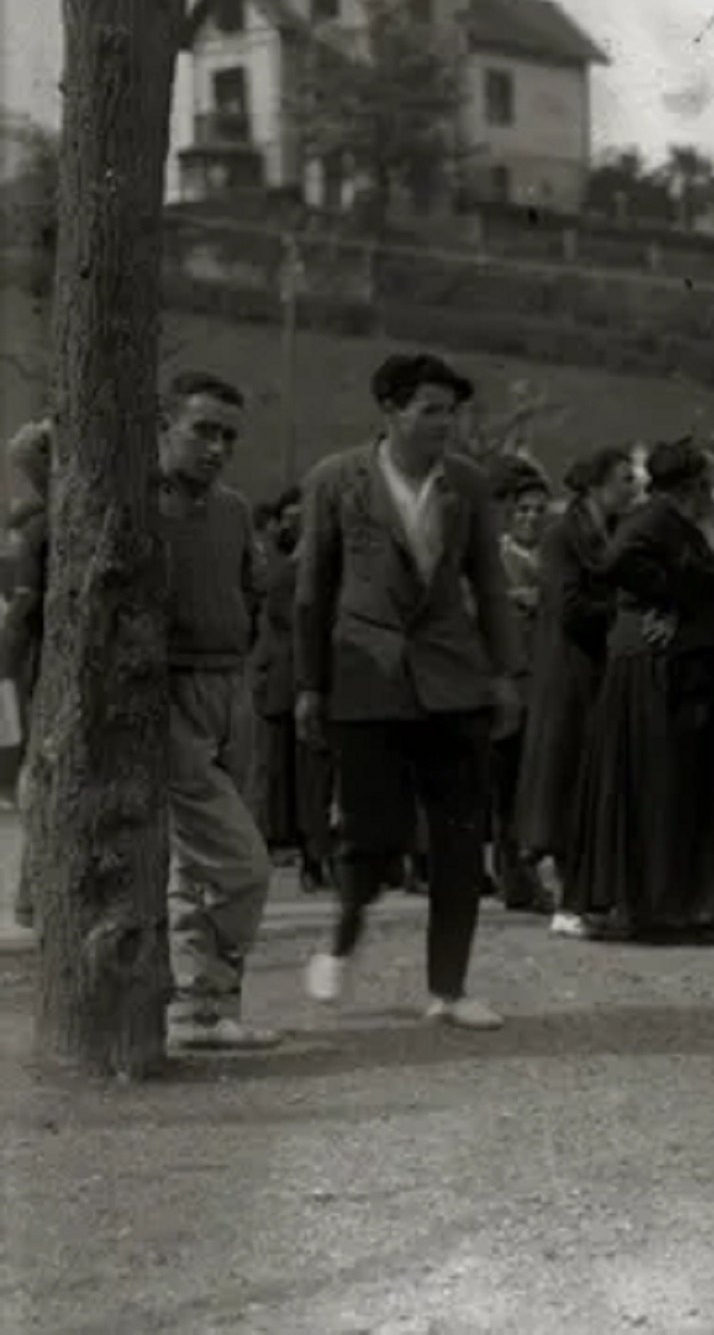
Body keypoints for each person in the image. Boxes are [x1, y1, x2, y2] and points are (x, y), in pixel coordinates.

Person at [300, 353, 518, 1030]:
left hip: (454, 680)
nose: (443, 423)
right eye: (429, 409)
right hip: (369, 681)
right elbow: (313, 591)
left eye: (450, 411)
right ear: (390, 412)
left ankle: (448, 990)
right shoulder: (336, 480)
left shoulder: (469, 484)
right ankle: (342, 935)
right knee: (373, 834)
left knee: (459, 838)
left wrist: (503, 674)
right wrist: (312, 685)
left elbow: (489, 583)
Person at [154, 372, 283, 1050]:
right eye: (203, 429)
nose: (216, 448)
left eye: (228, 436)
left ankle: (205, 1010)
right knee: (240, 864)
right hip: (167, 695)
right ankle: (192, 998)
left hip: (231, 689)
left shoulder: (233, 509)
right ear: (164, 425)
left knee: (196, 869)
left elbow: (251, 593)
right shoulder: (136, 502)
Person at [567, 440, 714, 941]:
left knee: (666, 784)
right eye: (710, 480)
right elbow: (615, 562)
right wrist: (667, 596)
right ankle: (653, 907)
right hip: (653, 672)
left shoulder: (671, 523)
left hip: (667, 668)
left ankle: (666, 905)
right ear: (692, 486)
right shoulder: (655, 521)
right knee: (657, 784)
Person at [528, 448, 633, 937]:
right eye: (624, 478)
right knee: (569, 784)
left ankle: (588, 896)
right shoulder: (563, 537)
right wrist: (625, 610)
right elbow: (570, 606)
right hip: (570, 675)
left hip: (594, 672)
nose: (632, 487)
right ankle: (567, 900)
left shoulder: (606, 532)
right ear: (596, 485)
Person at [246, 486, 332, 895]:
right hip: (299, 683)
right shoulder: (292, 573)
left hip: (296, 682)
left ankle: (313, 855)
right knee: (306, 777)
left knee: (304, 778)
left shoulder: (294, 570)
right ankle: (312, 856)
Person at [489, 460, 553, 913]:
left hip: (544, 685)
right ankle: (512, 876)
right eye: (524, 511)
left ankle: (532, 872)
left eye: (538, 511)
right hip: (507, 685)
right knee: (506, 786)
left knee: (536, 784)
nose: (531, 518)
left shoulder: (552, 560)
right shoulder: (494, 559)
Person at [4, 419, 51, 929]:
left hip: (48, 670)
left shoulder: (39, 529)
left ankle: (33, 892)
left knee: (42, 777)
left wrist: (9, 662)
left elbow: (25, 607)